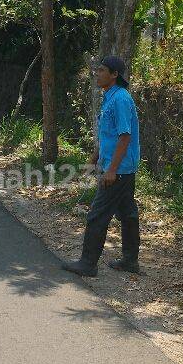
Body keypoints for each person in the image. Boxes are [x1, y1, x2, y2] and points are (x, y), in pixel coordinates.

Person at [62, 55, 141, 277]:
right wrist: (95, 157)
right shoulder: (110, 96)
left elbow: (125, 137)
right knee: (127, 213)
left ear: (115, 74)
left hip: (119, 170)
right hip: (118, 168)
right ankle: (130, 261)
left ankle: (88, 264)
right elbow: (109, 135)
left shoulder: (121, 99)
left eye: (102, 70)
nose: (97, 74)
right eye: (96, 70)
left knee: (97, 214)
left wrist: (112, 170)